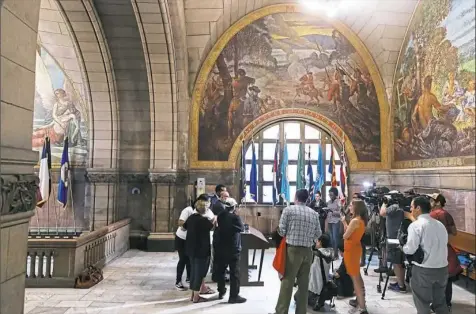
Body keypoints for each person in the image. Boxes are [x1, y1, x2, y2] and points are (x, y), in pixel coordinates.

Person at [273, 189, 321, 314]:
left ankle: (281, 311)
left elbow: (282, 231)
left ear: (296, 198)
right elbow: (318, 234)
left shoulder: (289, 210)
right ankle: (301, 311)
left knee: (287, 282)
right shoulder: (314, 213)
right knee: (304, 285)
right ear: (307, 199)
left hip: (292, 251)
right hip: (308, 251)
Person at [402, 196, 449, 314]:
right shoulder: (440, 225)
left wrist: (403, 246)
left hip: (424, 270)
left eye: (412, 207)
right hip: (442, 268)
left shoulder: (416, 225)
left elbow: (411, 249)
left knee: (422, 302)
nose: (411, 210)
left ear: (418, 208)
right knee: (440, 303)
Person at [429, 193, 462, 312]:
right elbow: (454, 232)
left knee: (436, 277)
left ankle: (437, 303)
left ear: (438, 202)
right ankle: (446, 303)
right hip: (445, 249)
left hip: (435, 250)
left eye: (432, 200)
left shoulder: (432, 215)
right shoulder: (446, 214)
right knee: (447, 278)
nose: (430, 202)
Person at [175, 197, 215, 291]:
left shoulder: (207, 210)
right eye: (207, 202)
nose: (208, 205)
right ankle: (178, 281)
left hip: (195, 240)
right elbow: (181, 223)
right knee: (184, 260)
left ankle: (191, 281)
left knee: (192, 262)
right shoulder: (188, 210)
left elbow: (212, 221)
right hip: (183, 238)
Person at [183, 194, 216, 303]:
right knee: (200, 273)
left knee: (193, 272)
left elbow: (184, 226)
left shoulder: (192, 217)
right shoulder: (203, 220)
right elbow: (212, 226)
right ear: (205, 209)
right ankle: (196, 296)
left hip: (191, 249)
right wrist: (215, 219)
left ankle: (193, 295)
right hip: (201, 250)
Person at [214, 198, 247, 303]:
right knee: (234, 273)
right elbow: (241, 228)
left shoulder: (220, 216)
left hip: (221, 248)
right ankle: (234, 296)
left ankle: (221, 290)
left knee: (221, 271)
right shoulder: (235, 218)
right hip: (233, 249)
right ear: (234, 207)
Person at [342, 199, 368, 314]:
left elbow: (345, 235)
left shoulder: (355, 221)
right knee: (357, 276)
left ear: (357, 207)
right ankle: (360, 300)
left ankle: (362, 307)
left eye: (352, 205)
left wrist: (344, 222)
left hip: (351, 250)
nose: (349, 207)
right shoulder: (360, 220)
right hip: (354, 248)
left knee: (355, 279)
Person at [379, 199, 407, 293]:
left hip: (393, 239)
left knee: (396, 263)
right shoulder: (399, 208)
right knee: (399, 263)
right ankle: (400, 282)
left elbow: (382, 213)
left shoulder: (394, 207)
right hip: (398, 238)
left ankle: (401, 286)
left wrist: (384, 203)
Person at [308, 234, 334, 302]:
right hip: (324, 287)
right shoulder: (330, 253)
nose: (316, 242)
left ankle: (315, 299)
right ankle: (318, 299)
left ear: (320, 242)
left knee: (296, 297)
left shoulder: (316, 255)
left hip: (313, 289)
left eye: (317, 241)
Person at [326, 187, 342, 259]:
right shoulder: (328, 202)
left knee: (335, 238)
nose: (330, 196)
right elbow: (327, 212)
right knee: (331, 238)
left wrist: (332, 211)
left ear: (335, 194)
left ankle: (336, 254)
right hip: (330, 221)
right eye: (329, 195)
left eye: (331, 195)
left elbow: (341, 213)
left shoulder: (338, 202)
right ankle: (333, 253)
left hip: (336, 221)